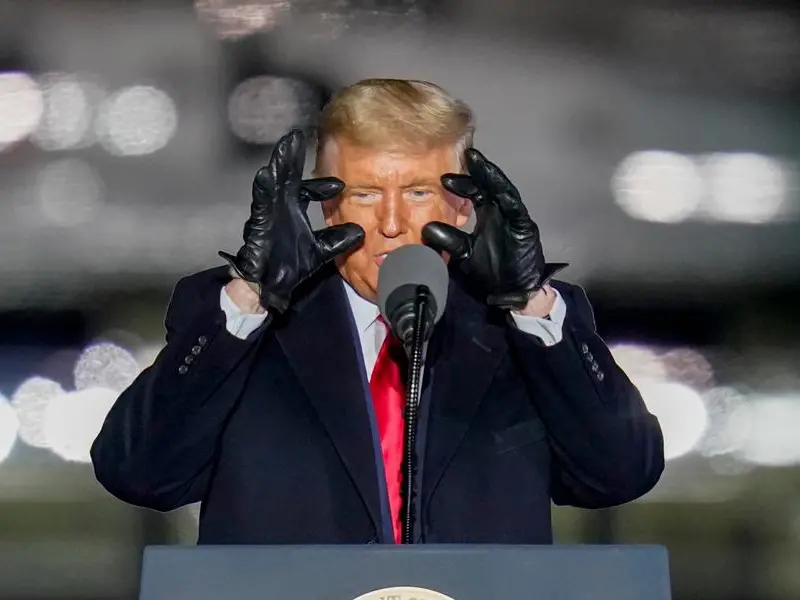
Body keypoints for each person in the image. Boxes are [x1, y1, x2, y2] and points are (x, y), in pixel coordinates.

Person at [91, 78, 664, 545]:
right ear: (325, 205)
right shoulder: (236, 319)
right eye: (365, 194)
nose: (391, 223)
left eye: (418, 193)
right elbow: (139, 474)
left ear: (463, 206)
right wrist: (251, 297)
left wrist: (529, 303)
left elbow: (620, 474)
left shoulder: (527, 328)